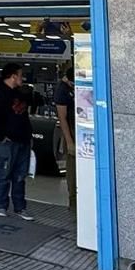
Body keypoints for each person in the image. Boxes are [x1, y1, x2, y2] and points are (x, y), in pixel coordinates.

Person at [0, 63, 44, 220]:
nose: (22, 78)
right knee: (4, 173)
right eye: (20, 75)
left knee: (20, 175)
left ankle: (20, 207)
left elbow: (35, 103)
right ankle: (1, 205)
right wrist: (0, 136)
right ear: (13, 76)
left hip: (23, 139)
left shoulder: (20, 93)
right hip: (7, 141)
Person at [54, 67, 77, 211]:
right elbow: (62, 118)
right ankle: (73, 200)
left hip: (81, 129)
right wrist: (69, 142)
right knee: (73, 166)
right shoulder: (62, 90)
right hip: (72, 131)